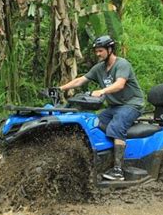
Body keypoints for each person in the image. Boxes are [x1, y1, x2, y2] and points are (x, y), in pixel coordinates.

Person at [59, 35, 144, 181]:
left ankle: (118, 171)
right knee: (94, 123)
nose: (98, 54)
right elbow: (81, 80)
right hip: (114, 107)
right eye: (96, 51)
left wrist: (102, 91)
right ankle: (102, 159)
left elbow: (120, 84)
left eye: (100, 51)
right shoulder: (100, 68)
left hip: (131, 104)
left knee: (117, 126)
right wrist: (60, 88)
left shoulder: (122, 64)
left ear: (110, 49)